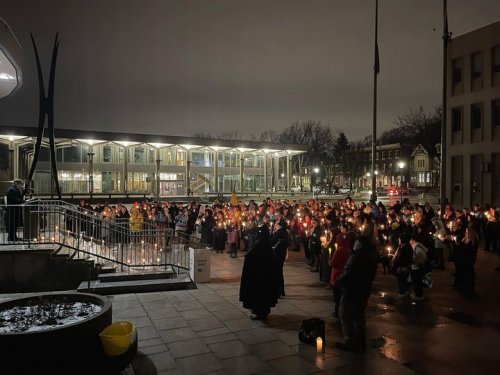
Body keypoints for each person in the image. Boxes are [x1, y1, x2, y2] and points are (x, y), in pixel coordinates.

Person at [335, 235, 377, 352]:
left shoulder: (356, 257)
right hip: (363, 291)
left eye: (356, 242)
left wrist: (338, 281)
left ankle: (350, 342)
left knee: (346, 315)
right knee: (359, 318)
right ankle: (360, 342)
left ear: (360, 244)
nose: (354, 244)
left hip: (351, 291)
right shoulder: (371, 257)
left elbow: (348, 273)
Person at [239, 219, 278, 320]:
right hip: (264, 276)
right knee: (263, 296)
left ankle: (260, 313)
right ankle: (262, 312)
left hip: (259, 276)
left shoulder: (261, 244)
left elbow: (252, 257)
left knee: (259, 296)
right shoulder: (266, 244)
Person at [409, 235, 432, 301]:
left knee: (417, 282)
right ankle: (417, 293)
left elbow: (421, 259)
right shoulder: (416, 247)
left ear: (413, 241)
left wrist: (416, 262)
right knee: (416, 281)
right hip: (416, 267)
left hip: (417, 268)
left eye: (411, 240)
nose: (410, 242)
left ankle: (419, 295)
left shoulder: (418, 249)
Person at [271, 219, 289, 298]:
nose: (274, 224)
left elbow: (272, 241)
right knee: (279, 272)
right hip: (281, 254)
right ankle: (281, 290)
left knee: (277, 272)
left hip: (277, 254)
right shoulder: (285, 232)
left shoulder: (279, 232)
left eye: (276, 223)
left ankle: (278, 291)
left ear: (279, 225)